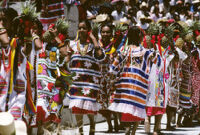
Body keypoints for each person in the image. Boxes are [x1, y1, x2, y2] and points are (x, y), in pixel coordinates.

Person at [109, 26, 155, 135]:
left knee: (124, 108)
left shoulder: (123, 50)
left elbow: (113, 68)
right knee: (137, 109)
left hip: (124, 85)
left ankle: (127, 129)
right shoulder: (144, 51)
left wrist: (112, 79)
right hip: (138, 85)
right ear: (140, 37)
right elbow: (156, 60)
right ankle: (132, 131)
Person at [68, 20, 105, 135]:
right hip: (76, 82)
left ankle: (92, 126)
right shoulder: (72, 44)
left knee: (89, 108)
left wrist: (94, 39)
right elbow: (67, 60)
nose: (81, 30)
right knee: (77, 106)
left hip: (90, 82)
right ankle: (80, 132)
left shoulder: (94, 46)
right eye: (80, 28)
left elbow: (101, 57)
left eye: (84, 28)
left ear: (88, 30)